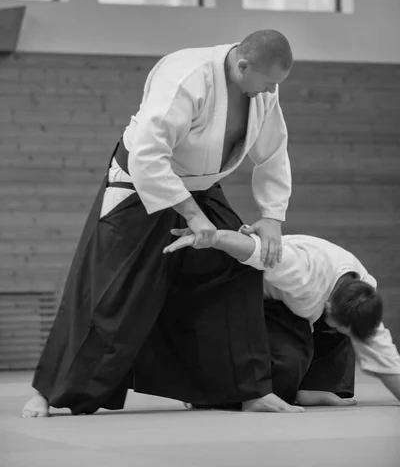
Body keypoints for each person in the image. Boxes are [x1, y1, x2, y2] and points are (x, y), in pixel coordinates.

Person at [22, 30, 299, 418]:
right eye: (268, 82)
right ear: (243, 65)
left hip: (199, 185)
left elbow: (272, 151)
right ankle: (50, 393)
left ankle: (245, 390)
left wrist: (271, 217)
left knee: (236, 267)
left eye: (277, 85)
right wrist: (191, 215)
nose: (272, 91)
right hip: (141, 183)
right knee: (112, 288)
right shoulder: (187, 75)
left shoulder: (262, 88)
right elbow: (149, 155)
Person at [163, 228, 400, 407]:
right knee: (289, 361)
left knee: (341, 335)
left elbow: (385, 359)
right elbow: (254, 249)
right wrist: (212, 237)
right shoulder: (300, 272)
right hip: (247, 299)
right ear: (328, 305)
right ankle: (216, 394)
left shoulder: (362, 294)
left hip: (295, 304)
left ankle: (313, 388)